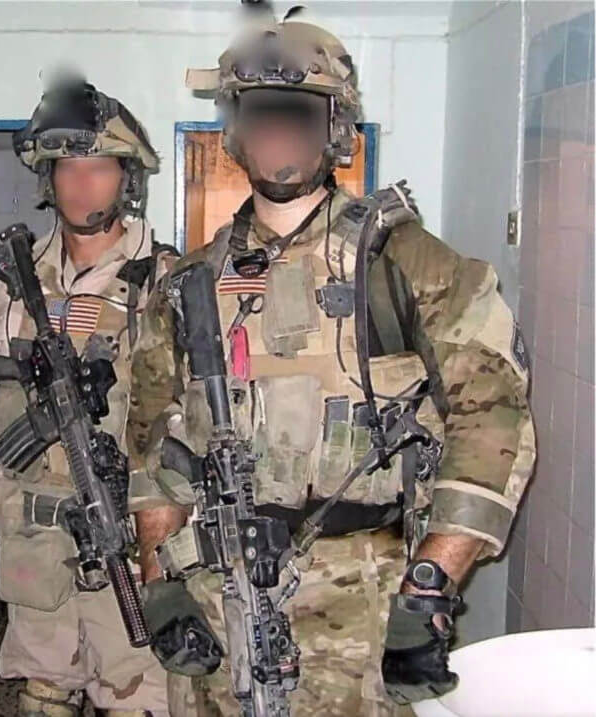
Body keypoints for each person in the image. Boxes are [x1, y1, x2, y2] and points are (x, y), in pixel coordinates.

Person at [127, 16, 536, 717]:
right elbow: (150, 439)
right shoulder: (189, 282)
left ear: (335, 127)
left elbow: (494, 418)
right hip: (217, 602)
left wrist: (431, 585)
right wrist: (158, 576)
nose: (277, 134)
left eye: (297, 114)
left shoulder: (407, 264)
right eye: (260, 113)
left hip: (363, 610)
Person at [0, 75, 175, 716]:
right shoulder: (13, 286)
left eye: (99, 167)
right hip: (33, 539)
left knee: (138, 701)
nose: (81, 183)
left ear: (126, 179)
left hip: (128, 535)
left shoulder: (165, 281)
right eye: (67, 168)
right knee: (42, 698)